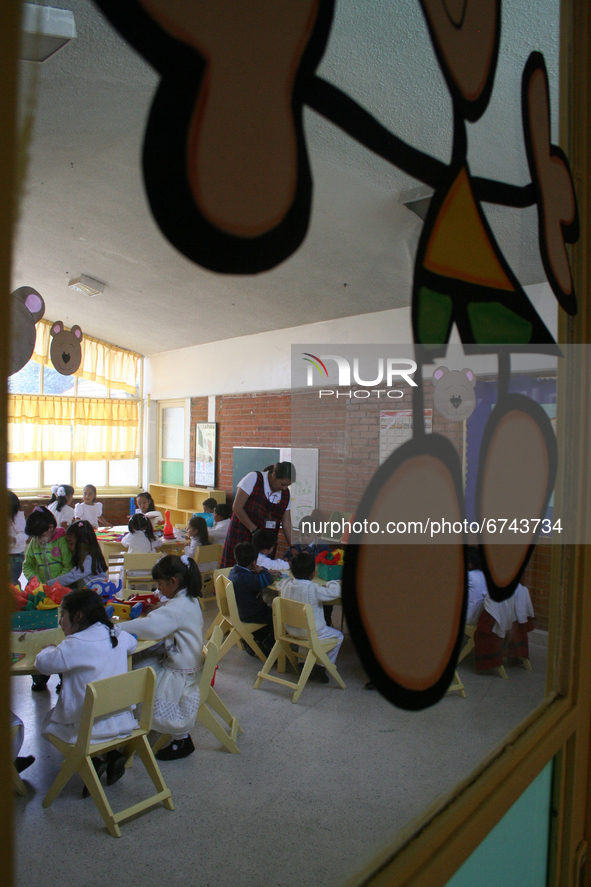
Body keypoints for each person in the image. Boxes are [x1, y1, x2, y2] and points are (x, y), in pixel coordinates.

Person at [35, 588, 138, 790]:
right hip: (124, 721)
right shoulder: (116, 634)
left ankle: (90, 763)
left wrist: (48, 649)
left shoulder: (73, 645)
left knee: (48, 724)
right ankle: (111, 754)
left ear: (78, 615)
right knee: (97, 713)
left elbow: (42, 664)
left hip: (87, 728)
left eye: (62, 615)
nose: (60, 622)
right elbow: (132, 644)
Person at [119, 554, 204, 761]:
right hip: (187, 663)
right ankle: (174, 736)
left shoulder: (177, 607)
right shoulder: (188, 598)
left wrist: (116, 628)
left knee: (135, 674)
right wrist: (160, 608)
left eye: (160, 584)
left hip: (179, 673)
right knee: (140, 662)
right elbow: (169, 616)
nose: (158, 589)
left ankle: (179, 738)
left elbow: (151, 627)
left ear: (173, 582)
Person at [23, 506, 75, 691]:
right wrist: (34, 581)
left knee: (62, 635)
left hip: (61, 597)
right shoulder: (35, 543)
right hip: (41, 597)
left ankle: (63, 677)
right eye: (35, 537)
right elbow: (28, 565)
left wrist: (54, 587)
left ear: (52, 527)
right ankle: (39, 676)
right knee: (38, 635)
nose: (38, 540)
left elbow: (68, 568)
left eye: (41, 535)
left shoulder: (62, 541)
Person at [278, 551, 343, 683]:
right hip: (312, 632)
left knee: (306, 629)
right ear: (313, 574)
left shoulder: (285, 584)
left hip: (291, 630)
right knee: (338, 636)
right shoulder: (314, 589)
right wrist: (332, 582)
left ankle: (302, 663)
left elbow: (279, 584)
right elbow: (335, 592)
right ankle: (322, 666)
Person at [220, 461, 296, 567]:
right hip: (242, 537)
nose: (284, 488)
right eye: (283, 484)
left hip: (265, 545)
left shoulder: (286, 494)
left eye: (287, 485)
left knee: (262, 574)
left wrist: (292, 546)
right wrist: (254, 531)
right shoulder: (254, 479)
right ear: (273, 474)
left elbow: (287, 522)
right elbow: (237, 507)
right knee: (236, 572)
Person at [228, 541, 275, 655]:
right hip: (250, 613)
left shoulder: (234, 572)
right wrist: (264, 571)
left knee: (269, 616)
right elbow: (268, 580)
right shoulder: (247, 579)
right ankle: (268, 644)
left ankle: (253, 640)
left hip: (240, 610)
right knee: (278, 616)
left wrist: (264, 570)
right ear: (254, 562)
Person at [47, 520, 108, 589]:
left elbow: (71, 577)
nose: (68, 547)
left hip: (100, 597)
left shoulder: (89, 559)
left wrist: (47, 584)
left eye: (71, 543)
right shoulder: (84, 557)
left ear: (85, 542)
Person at [8, 490, 27, 585]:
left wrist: (13, 539)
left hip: (15, 554)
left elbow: (25, 535)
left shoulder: (18, 517)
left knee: (12, 581)